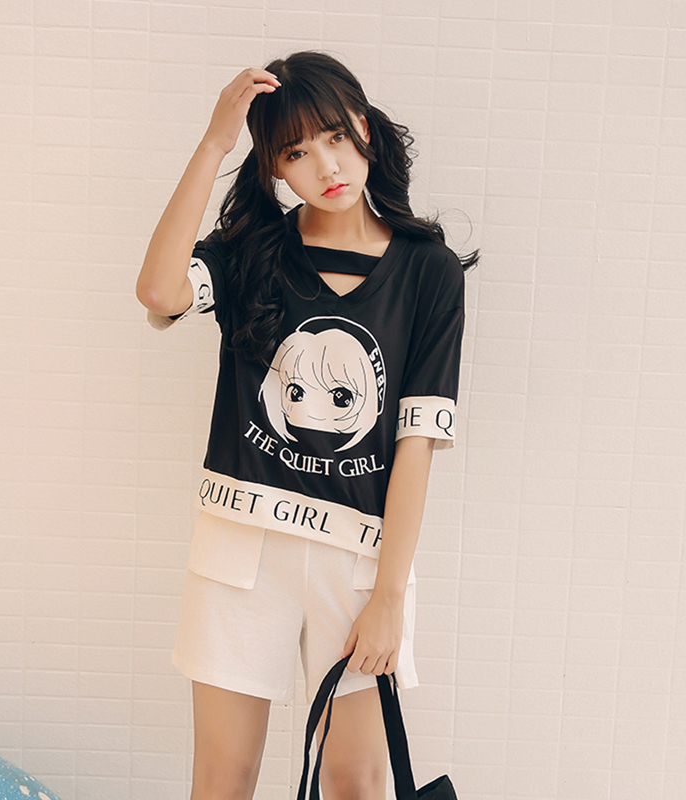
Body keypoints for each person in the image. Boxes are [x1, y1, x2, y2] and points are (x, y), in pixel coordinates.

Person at [136, 51, 477, 800]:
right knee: (221, 782)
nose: (325, 165)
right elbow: (158, 290)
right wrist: (215, 141)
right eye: (294, 152)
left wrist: (389, 597)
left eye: (334, 136)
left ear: (363, 127)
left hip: (358, 562)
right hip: (241, 542)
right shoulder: (251, 253)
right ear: (273, 168)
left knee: (356, 784)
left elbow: (416, 445)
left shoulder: (429, 271)